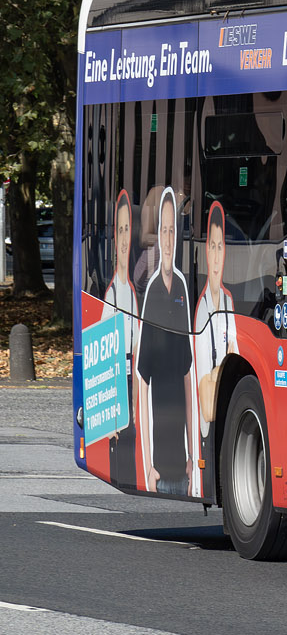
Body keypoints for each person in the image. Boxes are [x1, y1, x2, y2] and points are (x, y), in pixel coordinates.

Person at [135, 186, 195, 496]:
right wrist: (148, 463)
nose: (169, 239)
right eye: (164, 230)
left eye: (174, 230)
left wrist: (192, 456)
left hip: (182, 460)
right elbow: (142, 385)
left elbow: (188, 376)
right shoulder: (153, 290)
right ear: (158, 234)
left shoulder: (183, 288)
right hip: (159, 460)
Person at [192, 202, 238, 499]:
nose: (217, 256)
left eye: (222, 247)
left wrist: (219, 372)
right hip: (209, 433)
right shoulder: (202, 311)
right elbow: (207, 403)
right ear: (206, 251)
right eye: (213, 247)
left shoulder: (230, 301)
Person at [103, 189, 139, 489]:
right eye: (121, 229)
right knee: (121, 460)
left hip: (136, 387)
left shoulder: (136, 289)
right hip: (120, 384)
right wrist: (114, 411)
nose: (125, 237)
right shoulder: (112, 293)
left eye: (129, 229)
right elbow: (105, 357)